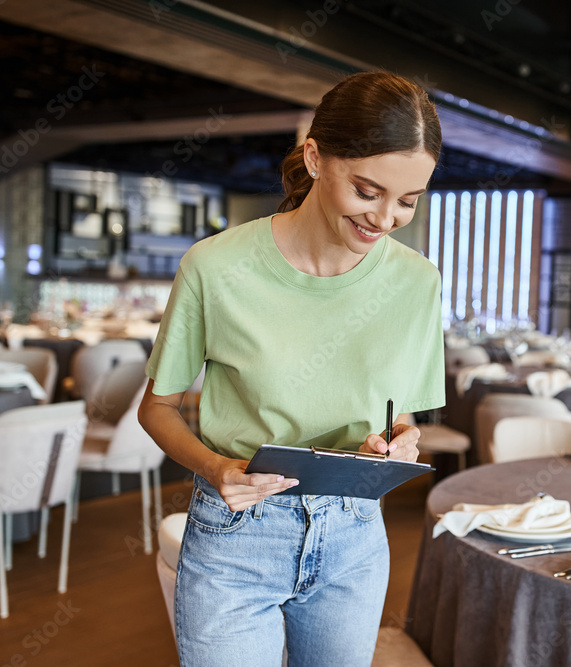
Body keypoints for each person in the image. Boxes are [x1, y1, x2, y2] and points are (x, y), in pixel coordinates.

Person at [138, 71, 445, 666]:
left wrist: (403, 439)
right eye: (367, 190)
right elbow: (157, 408)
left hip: (355, 534)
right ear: (314, 158)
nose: (384, 218)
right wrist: (215, 467)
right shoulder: (215, 267)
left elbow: (399, 410)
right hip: (237, 532)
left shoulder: (417, 282)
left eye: (407, 201)